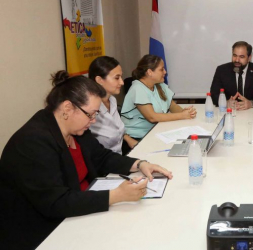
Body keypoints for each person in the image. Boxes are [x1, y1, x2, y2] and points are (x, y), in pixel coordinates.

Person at [0, 71, 173, 250]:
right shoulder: (33, 142)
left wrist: (140, 164)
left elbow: (101, 157)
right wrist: (115, 196)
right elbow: (56, 203)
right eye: (91, 114)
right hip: (43, 233)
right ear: (67, 108)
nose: (94, 120)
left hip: (79, 212)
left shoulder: (76, 129)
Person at [121, 54, 196, 139]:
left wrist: (185, 112)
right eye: (161, 69)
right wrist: (182, 115)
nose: (165, 72)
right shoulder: (137, 88)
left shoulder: (159, 85)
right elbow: (152, 117)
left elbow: (172, 106)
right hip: (138, 137)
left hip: (156, 131)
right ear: (150, 72)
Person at [88, 56, 138, 155]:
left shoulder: (112, 100)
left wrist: (128, 139)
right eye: (116, 78)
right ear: (100, 80)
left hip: (119, 157)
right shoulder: (90, 109)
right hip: (104, 165)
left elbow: (117, 129)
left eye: (121, 77)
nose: (122, 82)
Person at [210, 41, 253, 110]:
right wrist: (226, 103)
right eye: (234, 55)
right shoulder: (221, 70)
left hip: (250, 113)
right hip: (229, 112)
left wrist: (251, 103)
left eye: (241, 57)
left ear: (249, 58)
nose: (237, 60)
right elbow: (213, 95)